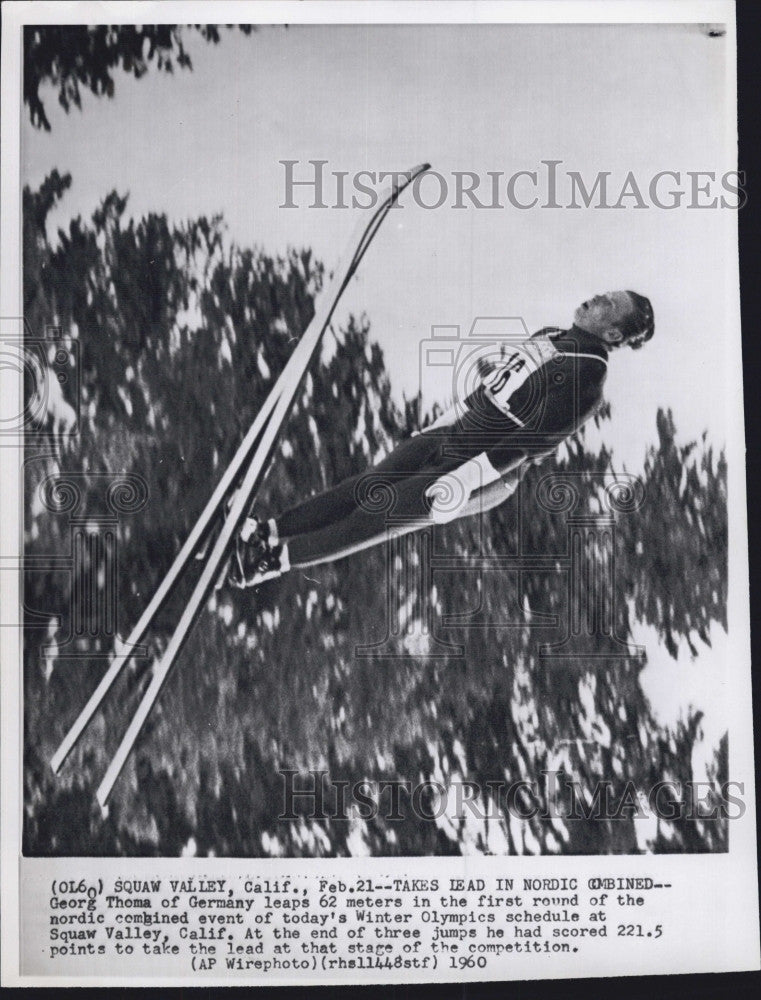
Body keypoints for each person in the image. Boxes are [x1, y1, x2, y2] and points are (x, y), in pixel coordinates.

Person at [227, 290, 654, 588]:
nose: (596, 298)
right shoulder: (548, 335)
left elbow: (529, 444)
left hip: (487, 471)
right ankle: (266, 532)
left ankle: (269, 563)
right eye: (602, 293)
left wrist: (465, 480)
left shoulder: (590, 376)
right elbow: (490, 391)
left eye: (608, 305)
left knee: (380, 514)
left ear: (614, 334)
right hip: (457, 431)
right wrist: (438, 425)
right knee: (366, 486)